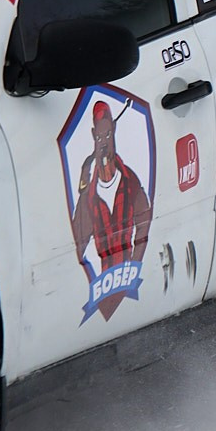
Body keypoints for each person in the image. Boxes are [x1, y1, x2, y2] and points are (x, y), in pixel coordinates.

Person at [72, 99, 153, 320]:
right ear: (93, 136)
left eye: (107, 135)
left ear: (114, 130)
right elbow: (78, 242)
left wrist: (134, 265)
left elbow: (144, 223)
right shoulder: (89, 196)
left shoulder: (129, 181)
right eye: (99, 137)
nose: (103, 143)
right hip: (104, 285)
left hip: (127, 278)